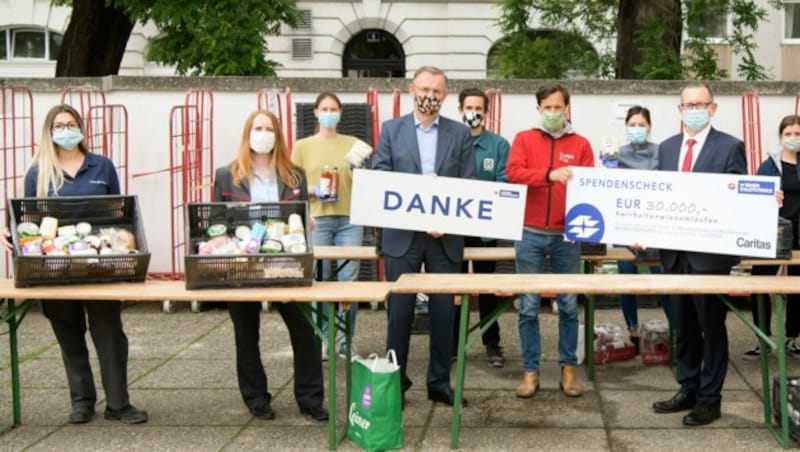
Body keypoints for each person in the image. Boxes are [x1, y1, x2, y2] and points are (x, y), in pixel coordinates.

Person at [0, 104, 147, 425]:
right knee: (69, 335)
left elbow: (118, 214)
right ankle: (82, 401)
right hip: (54, 265)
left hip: (100, 264)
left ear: (81, 128)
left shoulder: (102, 167)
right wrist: (11, 231)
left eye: (71, 124)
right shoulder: (38, 172)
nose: (66, 130)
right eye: (59, 125)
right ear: (49, 133)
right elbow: (30, 221)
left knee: (110, 334)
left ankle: (119, 404)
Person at [213, 109, 327, 422]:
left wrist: (306, 221)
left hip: (286, 265)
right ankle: (256, 399)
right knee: (246, 335)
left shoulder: (295, 175)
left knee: (305, 332)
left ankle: (310, 399)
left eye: (269, 128)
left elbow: (299, 219)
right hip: (243, 267)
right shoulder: (227, 174)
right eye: (257, 128)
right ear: (247, 133)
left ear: (277, 135)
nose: (263, 134)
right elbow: (216, 222)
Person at [373, 66, 476, 407]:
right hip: (403, 235)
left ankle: (438, 383)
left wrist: (444, 217)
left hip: (444, 237)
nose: (429, 94)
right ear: (410, 89)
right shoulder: (391, 130)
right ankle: (396, 383)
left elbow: (468, 184)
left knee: (445, 314)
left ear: (445, 96)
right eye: (424, 88)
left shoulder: (459, 134)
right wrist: (420, 200)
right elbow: (381, 177)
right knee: (399, 314)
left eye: (437, 90)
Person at [651, 82, 747, 427]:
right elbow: (655, 197)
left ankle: (710, 399)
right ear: (679, 110)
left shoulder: (730, 147)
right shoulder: (666, 148)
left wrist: (766, 199)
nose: (693, 109)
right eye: (687, 104)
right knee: (683, 327)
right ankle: (688, 388)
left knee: (711, 327)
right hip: (675, 256)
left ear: (712, 108)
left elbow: (741, 198)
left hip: (709, 258)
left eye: (700, 103)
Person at [506, 83, 594, 399]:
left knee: (569, 305)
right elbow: (513, 173)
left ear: (567, 109)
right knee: (528, 307)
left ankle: (568, 370)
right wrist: (548, 175)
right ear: (539, 108)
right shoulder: (524, 139)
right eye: (548, 107)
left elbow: (590, 187)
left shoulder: (581, 144)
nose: (554, 113)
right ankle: (530, 371)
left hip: (566, 236)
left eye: (559, 107)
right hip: (529, 233)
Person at [291, 92, 372, 361]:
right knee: (322, 282)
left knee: (349, 281)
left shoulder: (354, 144)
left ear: (340, 113)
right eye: (324, 108)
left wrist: (360, 171)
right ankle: (325, 338)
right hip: (319, 219)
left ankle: (345, 341)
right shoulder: (303, 146)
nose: (329, 113)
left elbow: (365, 180)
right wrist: (313, 190)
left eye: (334, 108)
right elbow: (293, 186)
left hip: (350, 218)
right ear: (315, 112)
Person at [600, 105, 671, 350]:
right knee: (626, 275)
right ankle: (632, 328)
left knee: (660, 276)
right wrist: (609, 169)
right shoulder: (616, 153)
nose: (637, 129)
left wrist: (623, 172)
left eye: (641, 125)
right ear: (625, 127)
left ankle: (676, 325)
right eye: (632, 125)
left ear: (649, 127)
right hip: (625, 221)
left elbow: (652, 178)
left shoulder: (659, 151)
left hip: (653, 223)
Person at [452, 87, 510, 367]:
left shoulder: (498, 146)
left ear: (486, 113)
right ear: (460, 110)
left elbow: (504, 183)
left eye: (478, 108)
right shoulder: (448, 140)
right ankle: (452, 344)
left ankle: (492, 344)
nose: (472, 113)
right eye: (468, 108)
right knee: (454, 290)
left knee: (487, 289)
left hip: (486, 230)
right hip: (454, 231)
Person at [742, 114, 800, 360]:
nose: (793, 138)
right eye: (788, 134)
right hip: (774, 233)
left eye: (798, 134)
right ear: (780, 136)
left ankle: (793, 338)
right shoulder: (768, 165)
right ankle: (762, 337)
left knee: (797, 288)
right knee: (759, 284)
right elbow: (753, 197)